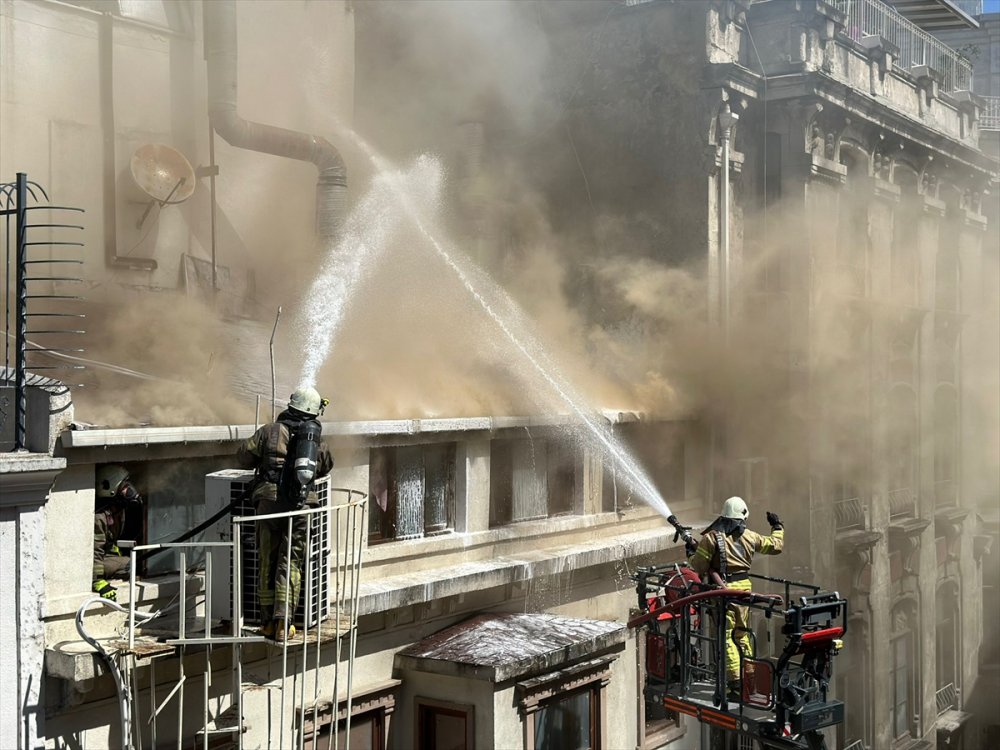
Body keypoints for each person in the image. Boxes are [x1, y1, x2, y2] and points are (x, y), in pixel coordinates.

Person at [237, 386, 333, 642]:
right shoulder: (315, 439)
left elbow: (244, 457)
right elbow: (324, 467)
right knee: (290, 563)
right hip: (301, 506)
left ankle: (267, 623)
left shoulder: (268, 431)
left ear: (291, 405)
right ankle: (284, 623)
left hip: (268, 503)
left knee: (266, 559)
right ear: (312, 411)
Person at [687, 496, 783, 699]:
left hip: (725, 592)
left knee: (727, 637)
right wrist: (777, 526)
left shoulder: (712, 538)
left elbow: (699, 566)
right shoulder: (751, 537)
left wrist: (690, 553)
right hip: (744, 590)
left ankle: (735, 684)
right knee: (742, 635)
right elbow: (775, 546)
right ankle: (749, 679)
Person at [93, 464, 143, 601]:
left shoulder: (117, 512)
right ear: (110, 487)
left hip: (106, 557)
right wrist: (98, 582)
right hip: (95, 562)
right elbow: (95, 552)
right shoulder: (99, 518)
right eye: (125, 487)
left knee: (131, 563)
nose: (129, 490)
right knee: (129, 564)